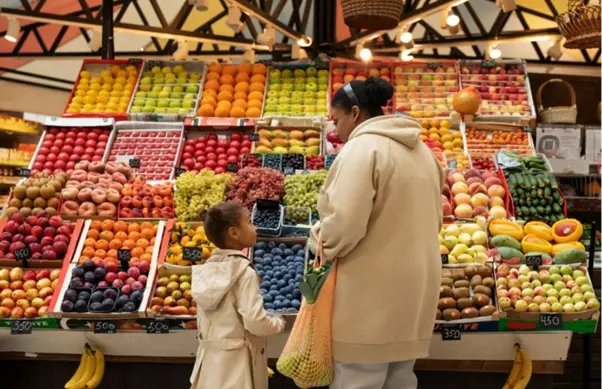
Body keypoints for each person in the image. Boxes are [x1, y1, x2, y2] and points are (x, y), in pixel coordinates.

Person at [310, 77, 444, 389]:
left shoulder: (362, 149)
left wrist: (318, 240)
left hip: (370, 292)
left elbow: (343, 225)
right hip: (415, 290)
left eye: (337, 119)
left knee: (356, 379)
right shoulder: (423, 151)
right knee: (399, 378)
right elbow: (436, 221)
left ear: (355, 113)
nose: (335, 130)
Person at [190, 203, 285, 389]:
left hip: (210, 366)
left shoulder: (206, 271)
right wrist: (278, 323)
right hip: (238, 368)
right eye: (249, 222)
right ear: (234, 233)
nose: (255, 227)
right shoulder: (244, 273)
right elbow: (255, 322)